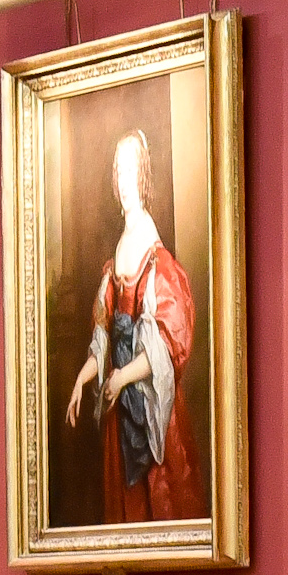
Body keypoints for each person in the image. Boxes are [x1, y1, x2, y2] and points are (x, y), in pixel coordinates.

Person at [61, 129, 201, 523]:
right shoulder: (120, 247)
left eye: (131, 171)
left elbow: (166, 347)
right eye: (118, 172)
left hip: (146, 403)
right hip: (118, 407)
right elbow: (103, 338)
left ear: (144, 176)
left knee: (161, 500)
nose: (124, 182)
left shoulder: (151, 248)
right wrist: (82, 379)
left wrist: (122, 378)